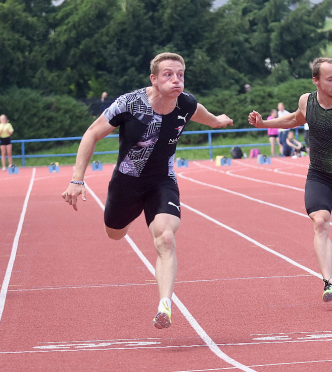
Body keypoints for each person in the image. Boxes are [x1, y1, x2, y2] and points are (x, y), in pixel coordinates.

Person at [62, 52, 232, 329]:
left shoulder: (185, 103)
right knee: (114, 233)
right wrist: (77, 179)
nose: (176, 79)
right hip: (126, 184)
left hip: (161, 181)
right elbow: (91, 133)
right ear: (153, 79)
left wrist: (218, 120)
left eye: (180, 74)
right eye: (168, 74)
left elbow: (205, 115)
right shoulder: (129, 104)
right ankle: (125, 220)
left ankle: (164, 304)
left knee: (165, 237)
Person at [249, 57, 332, 303]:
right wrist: (264, 123)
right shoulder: (306, 101)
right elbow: (295, 119)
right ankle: (328, 283)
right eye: (330, 79)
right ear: (316, 81)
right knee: (320, 221)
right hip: (318, 175)